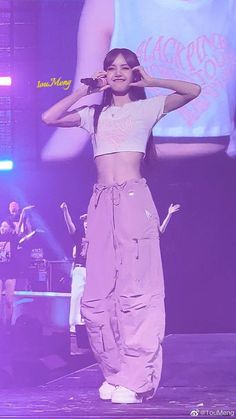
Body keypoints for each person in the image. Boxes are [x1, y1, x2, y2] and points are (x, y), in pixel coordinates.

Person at [42, 47, 201, 403]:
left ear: (134, 74)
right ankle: (116, 372)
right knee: (97, 297)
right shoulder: (93, 114)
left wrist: (153, 81)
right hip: (99, 203)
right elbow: (49, 118)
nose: (117, 74)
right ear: (103, 74)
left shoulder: (147, 108)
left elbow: (194, 91)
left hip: (133, 201)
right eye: (111, 69)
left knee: (137, 291)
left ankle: (138, 376)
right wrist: (85, 90)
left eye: (125, 69)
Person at [42, 0, 236, 161]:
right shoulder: (110, 5)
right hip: (130, 166)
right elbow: (85, 104)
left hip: (216, 171)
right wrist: (40, 178)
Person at [60, 203, 88, 341]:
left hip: (94, 270)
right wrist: (66, 211)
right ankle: (73, 326)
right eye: (85, 222)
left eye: (89, 222)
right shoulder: (79, 236)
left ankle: (88, 324)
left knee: (91, 299)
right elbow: (70, 226)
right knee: (76, 298)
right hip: (79, 269)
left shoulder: (99, 236)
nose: (87, 224)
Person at [0, 220, 20, 330]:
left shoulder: (13, 239)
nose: (3, 228)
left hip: (10, 273)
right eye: (1, 226)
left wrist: (21, 217)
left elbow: (18, 231)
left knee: (8, 301)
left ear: (9, 228)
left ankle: (8, 325)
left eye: (5, 226)